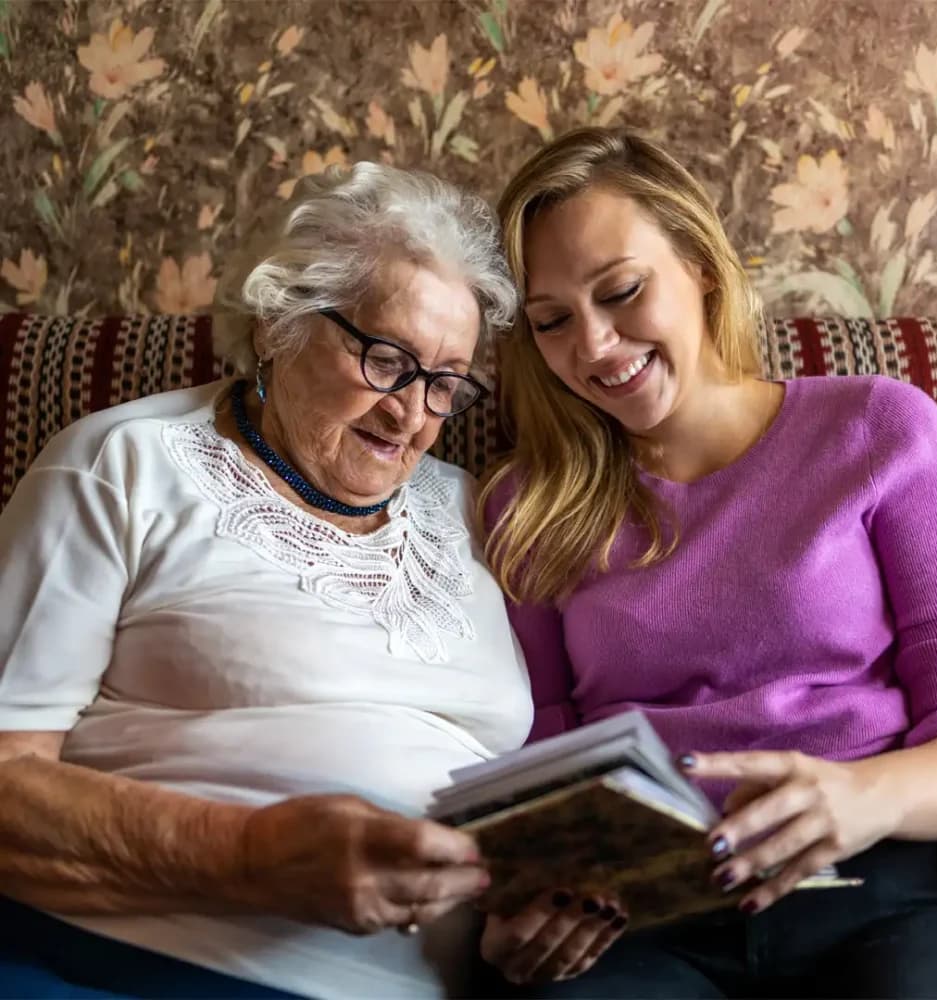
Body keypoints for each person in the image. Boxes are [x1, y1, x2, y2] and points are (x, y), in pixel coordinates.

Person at [476, 127, 937, 998]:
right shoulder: (526, 506)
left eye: (622, 291)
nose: (597, 345)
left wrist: (864, 797)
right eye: (553, 321)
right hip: (645, 920)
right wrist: (523, 903)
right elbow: (536, 749)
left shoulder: (880, 427)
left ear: (702, 265)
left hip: (894, 880)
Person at [0, 162, 538, 999]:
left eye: (444, 384)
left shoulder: (475, 512)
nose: (411, 414)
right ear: (277, 323)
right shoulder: (121, 467)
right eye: (387, 359)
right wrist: (252, 859)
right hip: (133, 962)